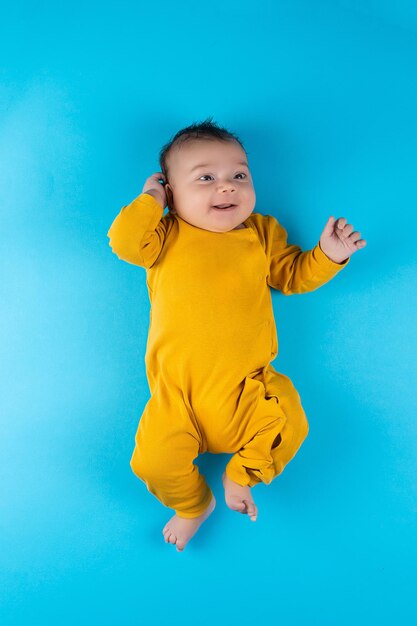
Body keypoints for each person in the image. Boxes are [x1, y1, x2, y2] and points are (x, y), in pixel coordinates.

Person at [107, 118, 366, 552]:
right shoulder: (164, 234)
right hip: (179, 398)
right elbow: (124, 242)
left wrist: (328, 255)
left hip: (250, 389)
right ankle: (193, 504)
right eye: (205, 177)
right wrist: (152, 200)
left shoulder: (261, 233)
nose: (227, 187)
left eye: (239, 175)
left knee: (291, 421)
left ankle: (240, 474)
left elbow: (292, 275)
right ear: (172, 192)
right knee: (152, 462)